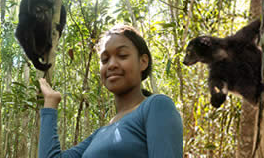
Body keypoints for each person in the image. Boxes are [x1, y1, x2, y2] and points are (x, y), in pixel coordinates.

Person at [38, 25, 183, 158]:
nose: (112, 65)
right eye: (105, 59)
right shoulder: (101, 132)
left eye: (122, 55)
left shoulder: (156, 106)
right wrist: (50, 103)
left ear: (143, 62)